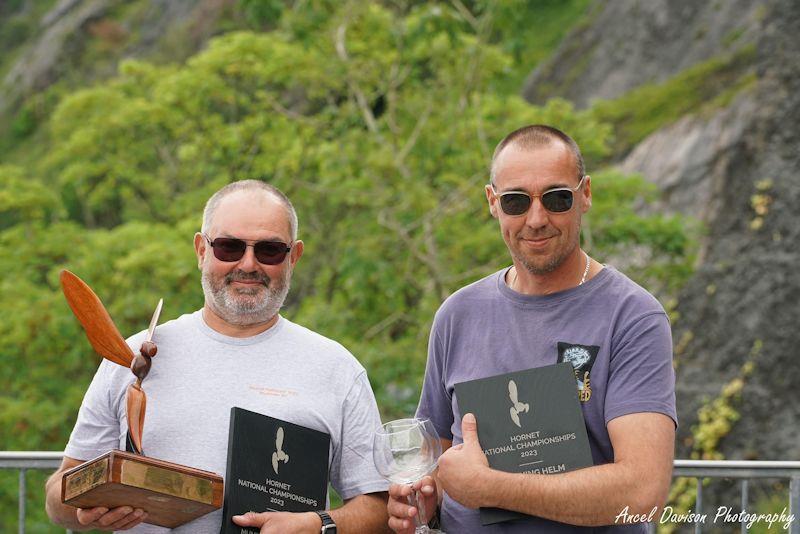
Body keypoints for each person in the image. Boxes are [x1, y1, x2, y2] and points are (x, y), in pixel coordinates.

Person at [46, 180, 390, 533]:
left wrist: (320, 526)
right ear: (201, 249)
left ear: (294, 256)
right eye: (229, 247)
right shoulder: (131, 357)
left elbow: (381, 509)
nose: (248, 264)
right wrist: (85, 507)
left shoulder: (336, 368)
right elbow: (58, 494)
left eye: (270, 250)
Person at [387, 125, 676, 533]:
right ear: (492, 202)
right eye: (516, 201)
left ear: (585, 195)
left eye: (557, 198)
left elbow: (641, 492)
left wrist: (492, 488)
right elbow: (437, 458)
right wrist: (422, 501)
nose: (536, 219)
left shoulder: (633, 317)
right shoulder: (457, 314)